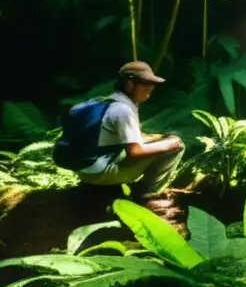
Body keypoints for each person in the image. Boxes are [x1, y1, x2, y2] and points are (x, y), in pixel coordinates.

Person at [71, 62, 185, 195]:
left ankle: (95, 185)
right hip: (99, 174)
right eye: (146, 85)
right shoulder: (123, 110)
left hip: (83, 169)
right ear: (130, 84)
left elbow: (128, 137)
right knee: (178, 147)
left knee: (156, 144)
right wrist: (171, 143)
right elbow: (135, 152)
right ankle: (148, 193)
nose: (150, 91)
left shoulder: (105, 101)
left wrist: (158, 137)